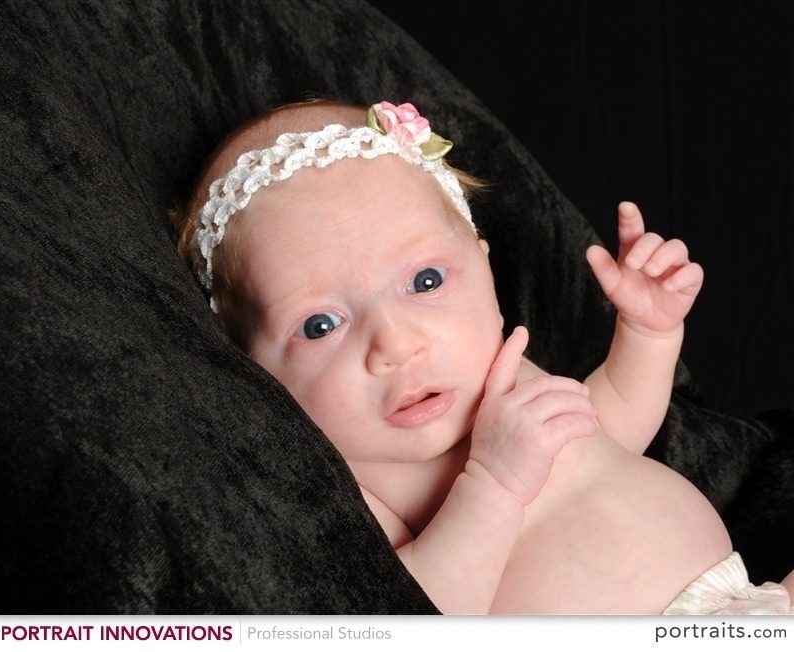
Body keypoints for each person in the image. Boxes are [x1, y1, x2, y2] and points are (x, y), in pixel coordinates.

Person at [171, 98, 794, 615]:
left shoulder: (504, 375)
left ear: (486, 270)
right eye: (320, 324)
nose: (397, 346)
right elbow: (421, 611)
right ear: (252, 367)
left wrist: (649, 335)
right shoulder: (359, 478)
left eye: (425, 282)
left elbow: (614, 428)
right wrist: (493, 484)